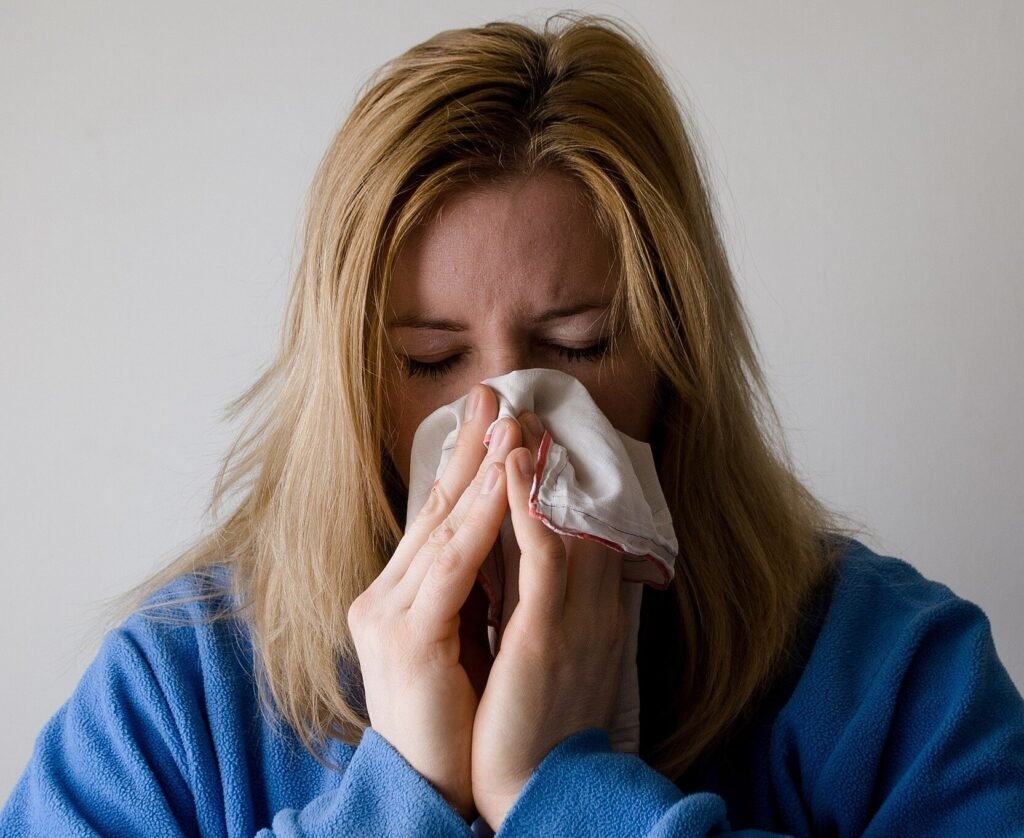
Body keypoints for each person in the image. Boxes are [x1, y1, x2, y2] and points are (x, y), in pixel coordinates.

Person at [3, 12, 1022, 837]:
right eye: (430, 361)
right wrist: (399, 797)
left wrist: (568, 792)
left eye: (578, 347)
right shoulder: (177, 702)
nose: (504, 431)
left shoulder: (893, 676)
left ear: (676, 358)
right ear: (352, 384)